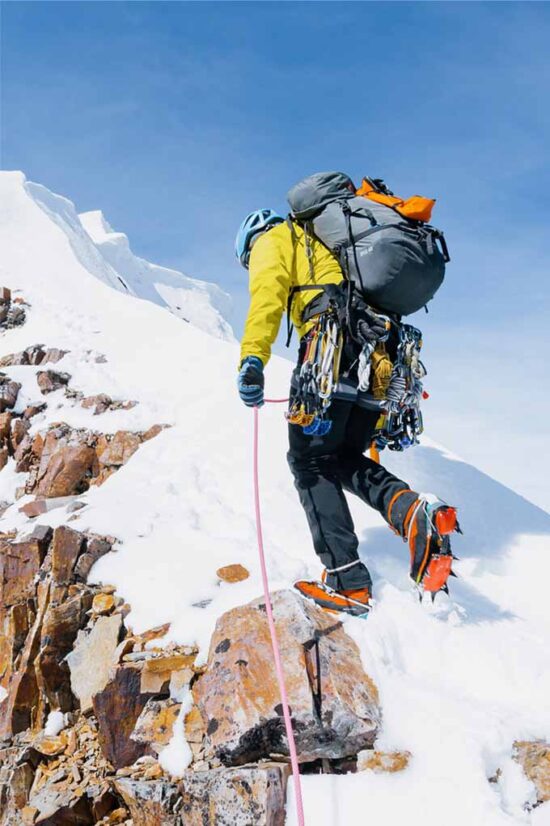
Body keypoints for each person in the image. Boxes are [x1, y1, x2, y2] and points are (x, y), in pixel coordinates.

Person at [235, 205, 458, 617]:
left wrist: (252, 360)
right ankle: (412, 510)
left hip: (330, 349)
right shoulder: (328, 243)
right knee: (339, 456)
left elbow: (267, 297)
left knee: (310, 462)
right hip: (380, 356)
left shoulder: (273, 239)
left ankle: (347, 582)